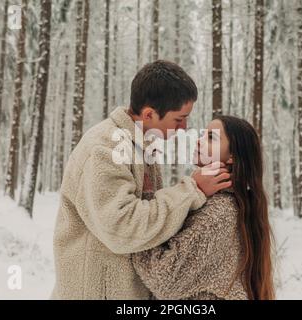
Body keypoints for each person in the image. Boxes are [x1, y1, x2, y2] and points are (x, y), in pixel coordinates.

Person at [51, 60, 231, 299]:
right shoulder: (104, 150)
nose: (184, 127)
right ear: (148, 114)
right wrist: (192, 189)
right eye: (179, 119)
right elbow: (122, 228)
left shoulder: (141, 147)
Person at [132, 116, 275, 300]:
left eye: (211, 138)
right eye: (202, 135)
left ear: (231, 157)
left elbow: (165, 279)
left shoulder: (219, 211)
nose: (199, 141)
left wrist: (138, 215)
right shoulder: (216, 202)